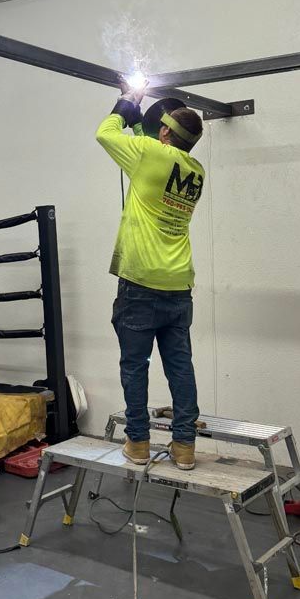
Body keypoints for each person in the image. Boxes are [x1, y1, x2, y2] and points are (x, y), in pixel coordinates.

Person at [96, 85, 205, 470]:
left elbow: (105, 133)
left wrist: (130, 100)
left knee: (134, 365)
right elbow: (159, 156)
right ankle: (185, 447)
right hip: (178, 285)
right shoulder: (196, 171)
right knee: (180, 366)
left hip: (141, 282)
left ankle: (138, 444)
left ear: (162, 132)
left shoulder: (148, 154)